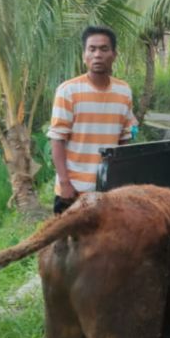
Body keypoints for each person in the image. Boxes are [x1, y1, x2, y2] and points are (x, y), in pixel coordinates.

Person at [48, 26, 136, 214]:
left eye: (104, 49)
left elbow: (124, 141)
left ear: (114, 54)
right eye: (92, 49)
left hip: (109, 193)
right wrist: (65, 184)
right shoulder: (68, 91)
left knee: (109, 243)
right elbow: (57, 139)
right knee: (65, 244)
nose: (97, 55)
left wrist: (121, 183)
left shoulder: (124, 91)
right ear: (84, 55)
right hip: (73, 191)